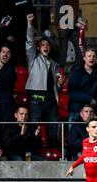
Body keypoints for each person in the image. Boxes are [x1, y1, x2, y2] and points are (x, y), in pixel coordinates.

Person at [25, 13, 65, 148]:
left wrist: (59, 84)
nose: (45, 46)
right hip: (37, 98)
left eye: (47, 44)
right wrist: (30, 25)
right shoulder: (33, 59)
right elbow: (29, 42)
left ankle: (54, 151)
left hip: (51, 100)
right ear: (38, 48)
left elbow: (57, 88)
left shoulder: (54, 64)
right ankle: (31, 150)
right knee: (33, 127)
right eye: (42, 44)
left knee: (53, 128)